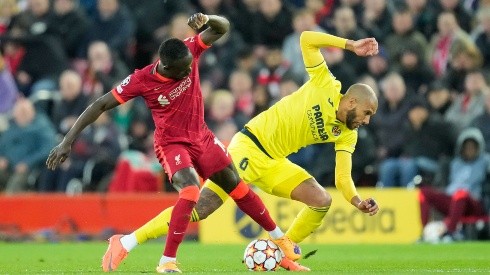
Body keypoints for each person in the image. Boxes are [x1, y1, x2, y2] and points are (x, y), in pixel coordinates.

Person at [46, 13, 301, 273]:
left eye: (191, 65)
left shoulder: (189, 50)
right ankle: (167, 261)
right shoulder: (142, 80)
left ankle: (280, 237)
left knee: (237, 187)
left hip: (201, 136)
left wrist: (208, 18)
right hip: (172, 145)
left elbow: (223, 27)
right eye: (185, 69)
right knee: (190, 192)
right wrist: (67, 141)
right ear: (166, 67)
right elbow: (99, 105)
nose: (191, 70)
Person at [108, 30, 380, 271]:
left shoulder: (347, 133)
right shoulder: (325, 84)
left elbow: (342, 177)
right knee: (199, 209)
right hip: (249, 147)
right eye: (366, 113)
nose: (366, 120)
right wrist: (350, 45)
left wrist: (356, 201)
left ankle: (280, 252)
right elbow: (306, 38)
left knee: (321, 201)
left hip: (275, 162)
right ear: (352, 100)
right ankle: (128, 241)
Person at [419, 127, 488, 242]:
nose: (469, 150)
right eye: (467, 147)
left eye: (472, 147)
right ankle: (425, 233)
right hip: (453, 199)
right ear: (461, 148)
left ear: (479, 147)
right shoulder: (455, 163)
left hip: (473, 202)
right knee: (423, 193)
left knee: (460, 193)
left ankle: (450, 232)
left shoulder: (485, 160)